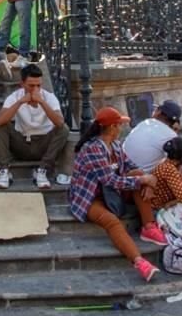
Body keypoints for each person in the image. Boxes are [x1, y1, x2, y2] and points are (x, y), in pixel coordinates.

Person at [68, 107, 164, 283]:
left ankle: (149, 226)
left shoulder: (116, 146)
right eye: (120, 125)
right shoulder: (93, 149)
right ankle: (139, 262)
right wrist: (143, 181)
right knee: (111, 221)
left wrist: (145, 179)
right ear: (112, 127)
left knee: (137, 175)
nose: (121, 128)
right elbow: (109, 179)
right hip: (90, 197)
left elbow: (130, 166)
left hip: (111, 194)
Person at [0, 63, 68, 190]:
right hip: (22, 143)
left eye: (38, 85)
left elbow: (60, 122)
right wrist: (20, 102)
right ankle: (4, 171)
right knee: (2, 126)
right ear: (22, 84)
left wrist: (42, 102)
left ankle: (42, 170)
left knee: (64, 129)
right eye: (31, 86)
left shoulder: (49, 97)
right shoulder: (15, 97)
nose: (35, 89)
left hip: (44, 144)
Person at [122, 100, 182, 173]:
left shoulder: (146, 123)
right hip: (141, 177)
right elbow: (177, 161)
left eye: (156, 109)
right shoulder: (171, 135)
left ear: (159, 112)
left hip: (122, 169)